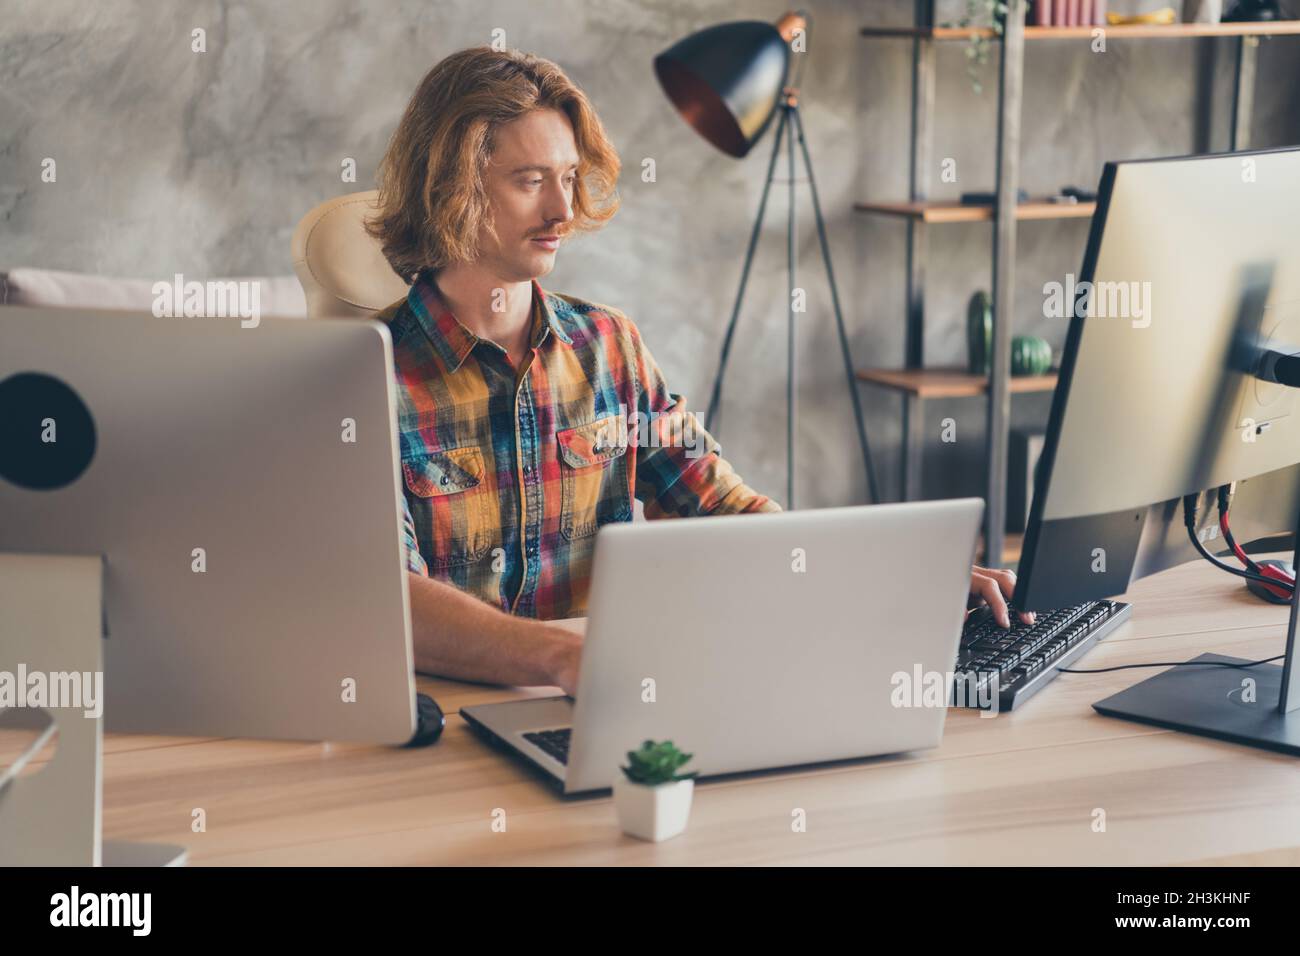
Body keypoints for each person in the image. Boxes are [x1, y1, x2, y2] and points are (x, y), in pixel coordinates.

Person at [365, 47, 1029, 693]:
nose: (563, 211)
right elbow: (385, 598)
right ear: (451, 187)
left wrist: (892, 578)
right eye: (531, 180)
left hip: (609, 706)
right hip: (450, 731)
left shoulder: (607, 346)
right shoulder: (370, 377)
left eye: (568, 177)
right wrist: (563, 657)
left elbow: (720, 507)